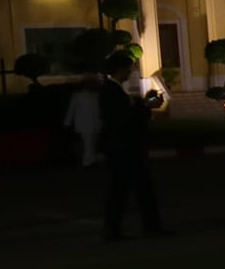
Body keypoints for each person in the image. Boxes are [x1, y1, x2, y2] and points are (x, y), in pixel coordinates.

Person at [97, 52, 163, 240]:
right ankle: (148, 228)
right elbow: (125, 119)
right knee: (138, 188)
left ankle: (115, 230)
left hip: (122, 148)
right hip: (125, 148)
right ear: (120, 69)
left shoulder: (114, 89)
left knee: (122, 190)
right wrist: (146, 108)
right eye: (128, 68)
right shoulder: (112, 91)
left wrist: (143, 105)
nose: (130, 71)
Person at [66, 77, 102, 166]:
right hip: (88, 123)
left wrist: (67, 122)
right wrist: (67, 122)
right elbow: (71, 110)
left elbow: (71, 110)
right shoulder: (93, 96)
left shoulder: (80, 96)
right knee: (89, 143)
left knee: (90, 143)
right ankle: (88, 161)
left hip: (88, 123)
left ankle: (89, 160)